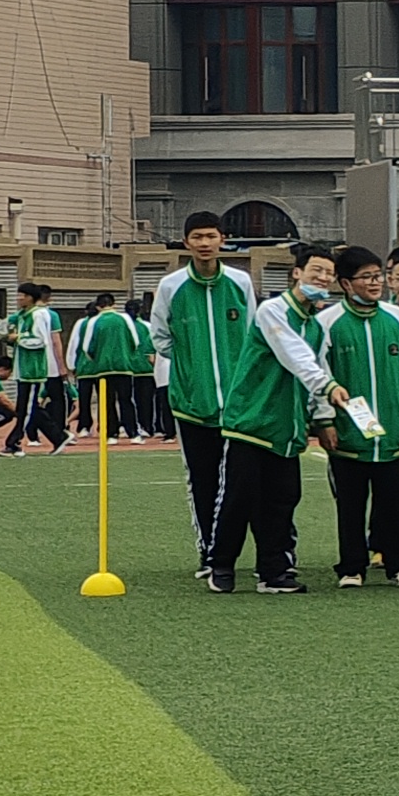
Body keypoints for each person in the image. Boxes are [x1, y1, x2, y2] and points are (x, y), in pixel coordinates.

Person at [204, 244, 348, 595]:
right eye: (316, 271)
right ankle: (221, 565)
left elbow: (317, 365)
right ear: (297, 273)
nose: (322, 278)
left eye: (328, 274)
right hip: (252, 423)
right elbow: (295, 356)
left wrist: (323, 416)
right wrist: (328, 387)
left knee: (283, 500)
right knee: (238, 498)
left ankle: (273, 572)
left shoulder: (315, 326)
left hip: (287, 429)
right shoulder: (273, 311)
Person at [153, 213, 260, 566]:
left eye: (210, 236)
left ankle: (248, 553)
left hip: (237, 404)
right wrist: (192, 368)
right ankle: (209, 552)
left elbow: (252, 334)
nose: (204, 243)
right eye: (197, 237)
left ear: (222, 240)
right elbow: (160, 337)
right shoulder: (171, 286)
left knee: (244, 480)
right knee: (202, 480)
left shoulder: (240, 282)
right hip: (191, 404)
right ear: (186, 242)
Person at [313, 250, 399, 589]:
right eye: (366, 277)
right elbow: (319, 374)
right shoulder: (327, 322)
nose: (375, 283)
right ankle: (351, 567)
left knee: (395, 502)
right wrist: (325, 420)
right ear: (346, 284)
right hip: (348, 432)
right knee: (350, 504)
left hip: (391, 428)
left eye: (378, 276)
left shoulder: (397, 318)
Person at [68, 290, 154, 446]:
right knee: (126, 400)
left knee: (107, 401)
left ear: (98, 306)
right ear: (114, 304)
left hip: (103, 368)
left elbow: (87, 347)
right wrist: (126, 356)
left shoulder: (94, 321)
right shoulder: (125, 318)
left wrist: (98, 359)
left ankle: (111, 434)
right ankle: (133, 433)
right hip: (124, 367)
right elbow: (135, 342)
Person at [0, 283, 68, 454]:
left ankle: (14, 443)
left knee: (26, 408)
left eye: (22, 295)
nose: (18, 298)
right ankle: (58, 437)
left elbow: (39, 340)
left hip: (33, 369)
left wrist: (18, 338)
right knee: (30, 408)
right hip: (23, 368)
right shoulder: (23, 315)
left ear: (30, 297)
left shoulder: (38, 315)